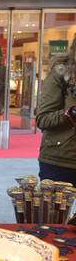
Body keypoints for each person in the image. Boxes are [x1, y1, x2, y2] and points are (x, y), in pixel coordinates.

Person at [36, 34, 76, 187]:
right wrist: (70, 113)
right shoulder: (61, 74)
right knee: (55, 211)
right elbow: (43, 119)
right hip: (60, 161)